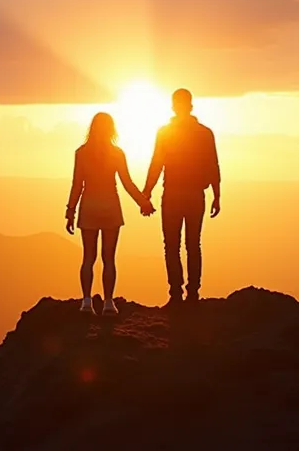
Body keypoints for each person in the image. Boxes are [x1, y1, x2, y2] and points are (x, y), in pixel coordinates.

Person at [65, 112, 154, 315]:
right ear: (111, 130)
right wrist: (143, 202)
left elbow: (77, 184)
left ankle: (86, 302)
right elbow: (127, 183)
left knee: (88, 257)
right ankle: (108, 303)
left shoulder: (81, 153)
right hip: (110, 207)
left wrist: (70, 210)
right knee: (109, 258)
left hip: (88, 206)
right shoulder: (117, 153)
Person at [143, 88, 221, 307]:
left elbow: (156, 163)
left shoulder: (166, 132)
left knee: (173, 246)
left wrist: (146, 192)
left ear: (174, 106)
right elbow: (213, 165)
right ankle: (191, 295)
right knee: (191, 245)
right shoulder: (204, 133)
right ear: (190, 106)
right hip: (194, 195)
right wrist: (216, 195)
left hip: (174, 195)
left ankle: (177, 295)